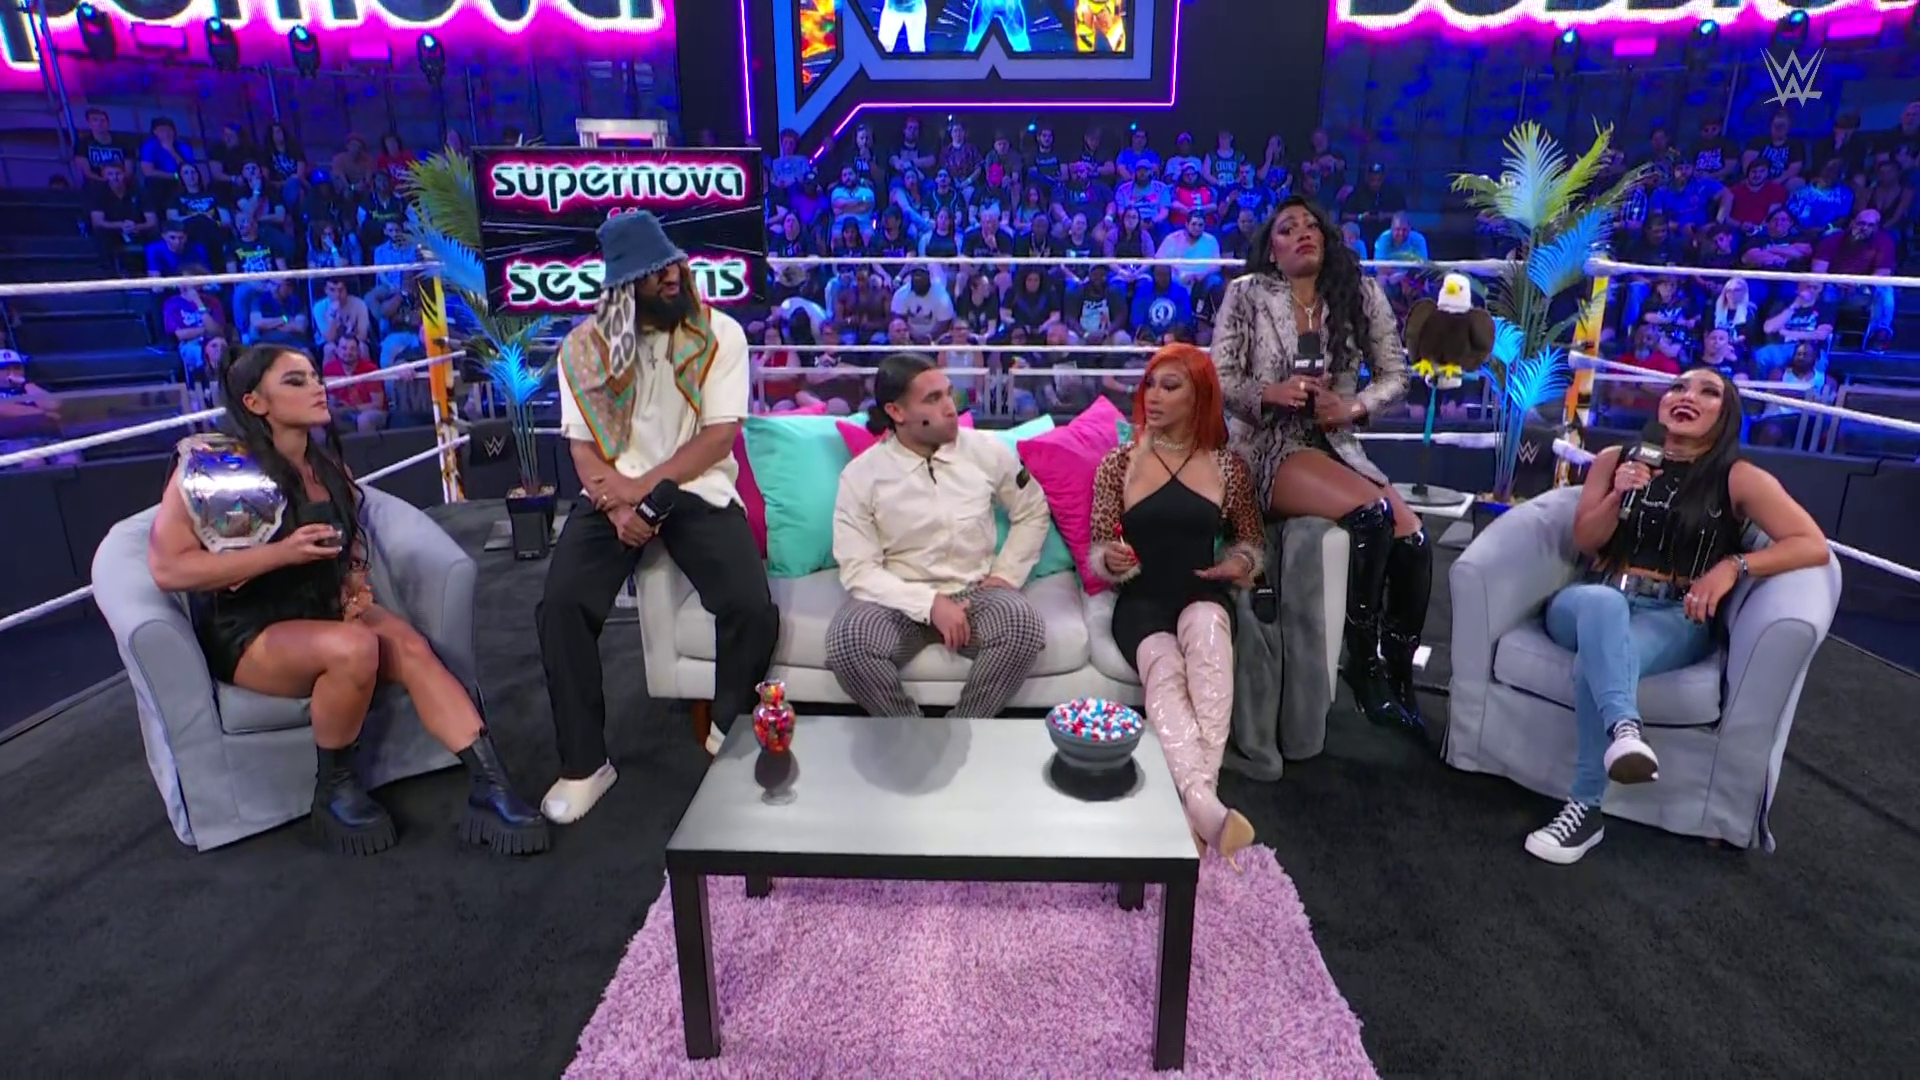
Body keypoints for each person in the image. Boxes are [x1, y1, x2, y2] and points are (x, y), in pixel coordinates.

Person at [145, 345, 549, 856]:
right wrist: (281, 554)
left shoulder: (327, 466)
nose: (318, 387)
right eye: (295, 381)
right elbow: (169, 569)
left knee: (411, 646)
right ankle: (334, 789)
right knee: (356, 649)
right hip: (250, 629)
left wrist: (355, 583)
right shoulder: (219, 470)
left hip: (321, 607)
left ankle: (491, 786)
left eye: (316, 376)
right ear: (255, 402)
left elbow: (348, 542)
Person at [1525, 367, 1830, 864]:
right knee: (1604, 609)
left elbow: (1811, 544)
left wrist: (1734, 566)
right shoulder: (1615, 459)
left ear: (1726, 415)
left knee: (1597, 662)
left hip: (1675, 614)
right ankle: (1625, 730)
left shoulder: (1738, 478)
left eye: (1708, 392)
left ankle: (1585, 809)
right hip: (1593, 597)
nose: (1687, 396)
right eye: (1678, 387)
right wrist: (1618, 493)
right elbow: (1586, 540)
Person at [539, 211, 779, 824]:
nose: (672, 277)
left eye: (672, 264)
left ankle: (727, 731)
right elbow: (582, 448)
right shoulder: (584, 349)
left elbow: (718, 437)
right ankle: (584, 764)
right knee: (560, 607)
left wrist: (642, 492)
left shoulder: (720, 333)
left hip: (693, 486)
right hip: (611, 492)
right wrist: (617, 503)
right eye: (654, 273)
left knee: (750, 606)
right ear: (624, 287)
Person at [1211, 196, 1431, 733]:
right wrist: (1269, 393)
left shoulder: (1359, 291)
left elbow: (1395, 376)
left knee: (1414, 540)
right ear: (1272, 250)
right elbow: (1221, 378)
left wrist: (1353, 407)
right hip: (1266, 446)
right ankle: (1362, 660)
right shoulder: (1247, 295)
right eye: (1288, 228)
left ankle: (1400, 676)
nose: (1303, 233)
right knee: (1374, 514)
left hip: (1337, 444)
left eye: (1312, 225)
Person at [1087, 344, 1261, 862]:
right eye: (1150, 385)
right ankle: (1206, 807)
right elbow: (1099, 544)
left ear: (1198, 396)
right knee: (1164, 670)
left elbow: (1250, 541)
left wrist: (1239, 564)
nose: (1154, 397)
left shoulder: (1228, 467)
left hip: (1203, 591)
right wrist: (1111, 559)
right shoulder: (1119, 463)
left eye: (1170, 386)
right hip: (1141, 600)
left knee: (1208, 646)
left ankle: (1197, 804)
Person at [826, 353, 1050, 719]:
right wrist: (929, 604)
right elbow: (859, 570)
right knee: (848, 644)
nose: (950, 408)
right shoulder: (861, 475)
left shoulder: (987, 450)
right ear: (896, 412)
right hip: (895, 597)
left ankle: (963, 727)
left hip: (975, 592)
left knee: (1022, 627)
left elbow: (1032, 509)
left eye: (948, 394)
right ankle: (910, 733)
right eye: (933, 399)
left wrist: (1007, 574)